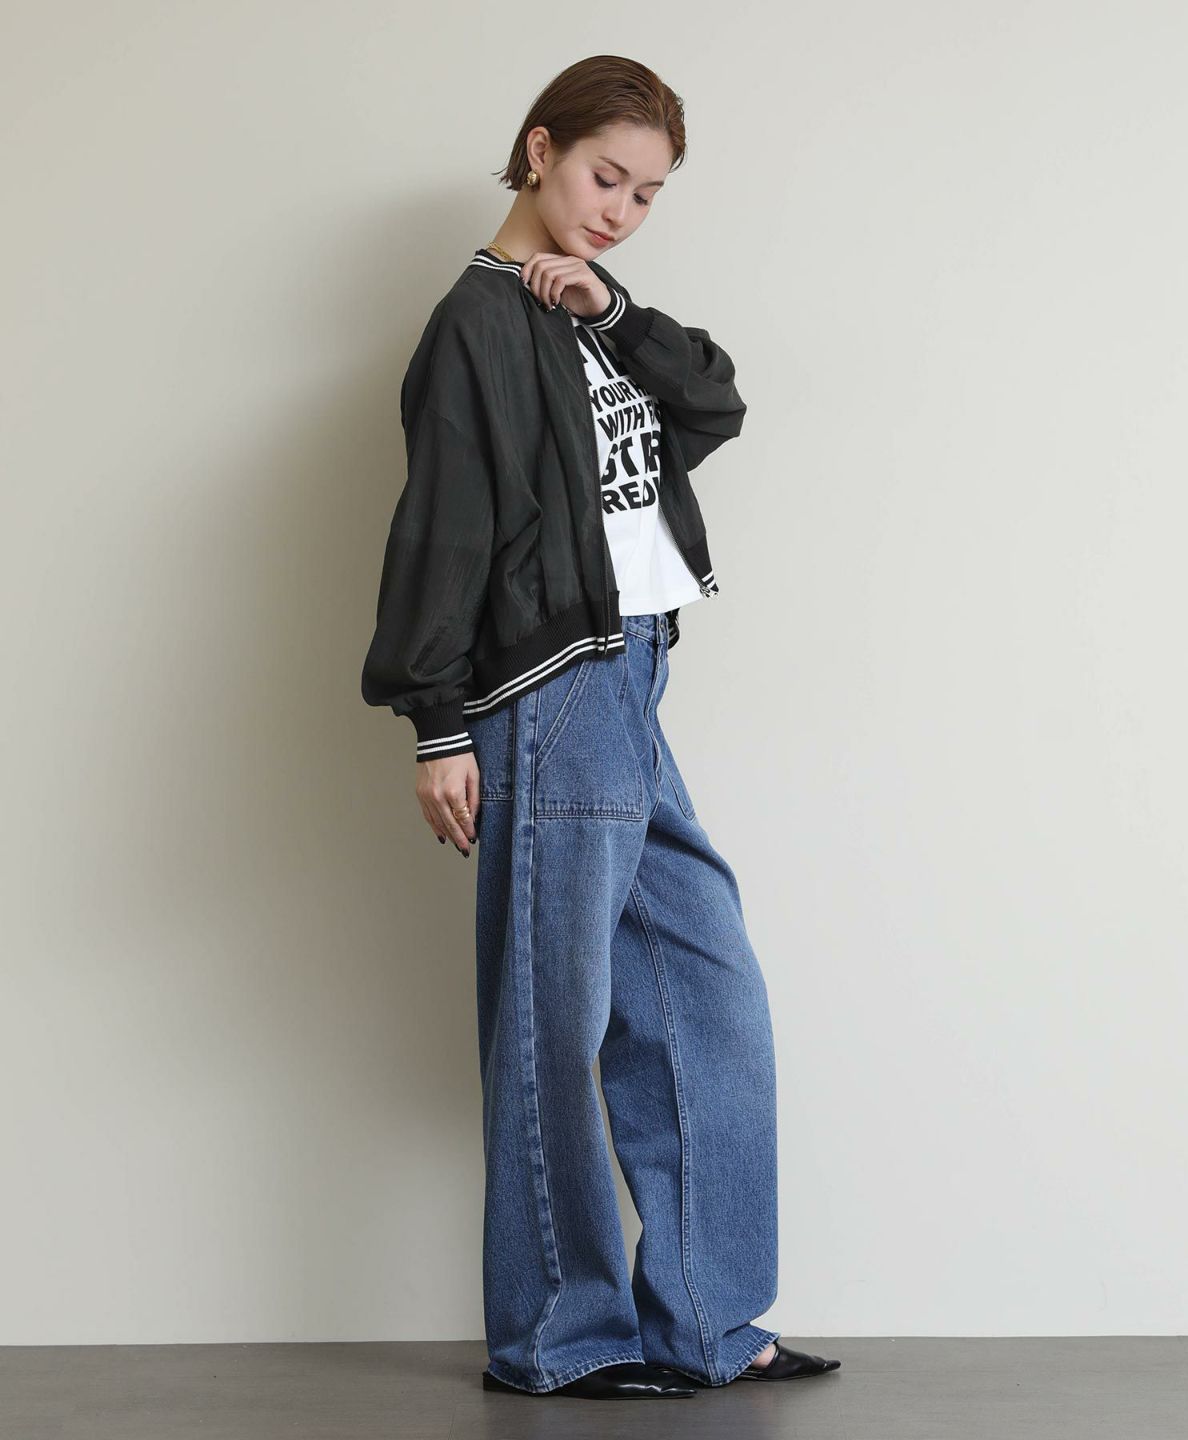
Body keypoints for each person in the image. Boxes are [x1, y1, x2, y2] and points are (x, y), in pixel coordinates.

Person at [361, 55, 841, 1400]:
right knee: (552, 1020)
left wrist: (613, 308)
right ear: (539, 151)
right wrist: (436, 725)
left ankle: (708, 1323)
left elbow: (714, 403)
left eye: (646, 194)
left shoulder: (591, 311)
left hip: (634, 680)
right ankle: (558, 1337)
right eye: (603, 176)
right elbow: (443, 528)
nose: (620, 210)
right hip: (549, 685)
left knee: (705, 992)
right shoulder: (475, 323)